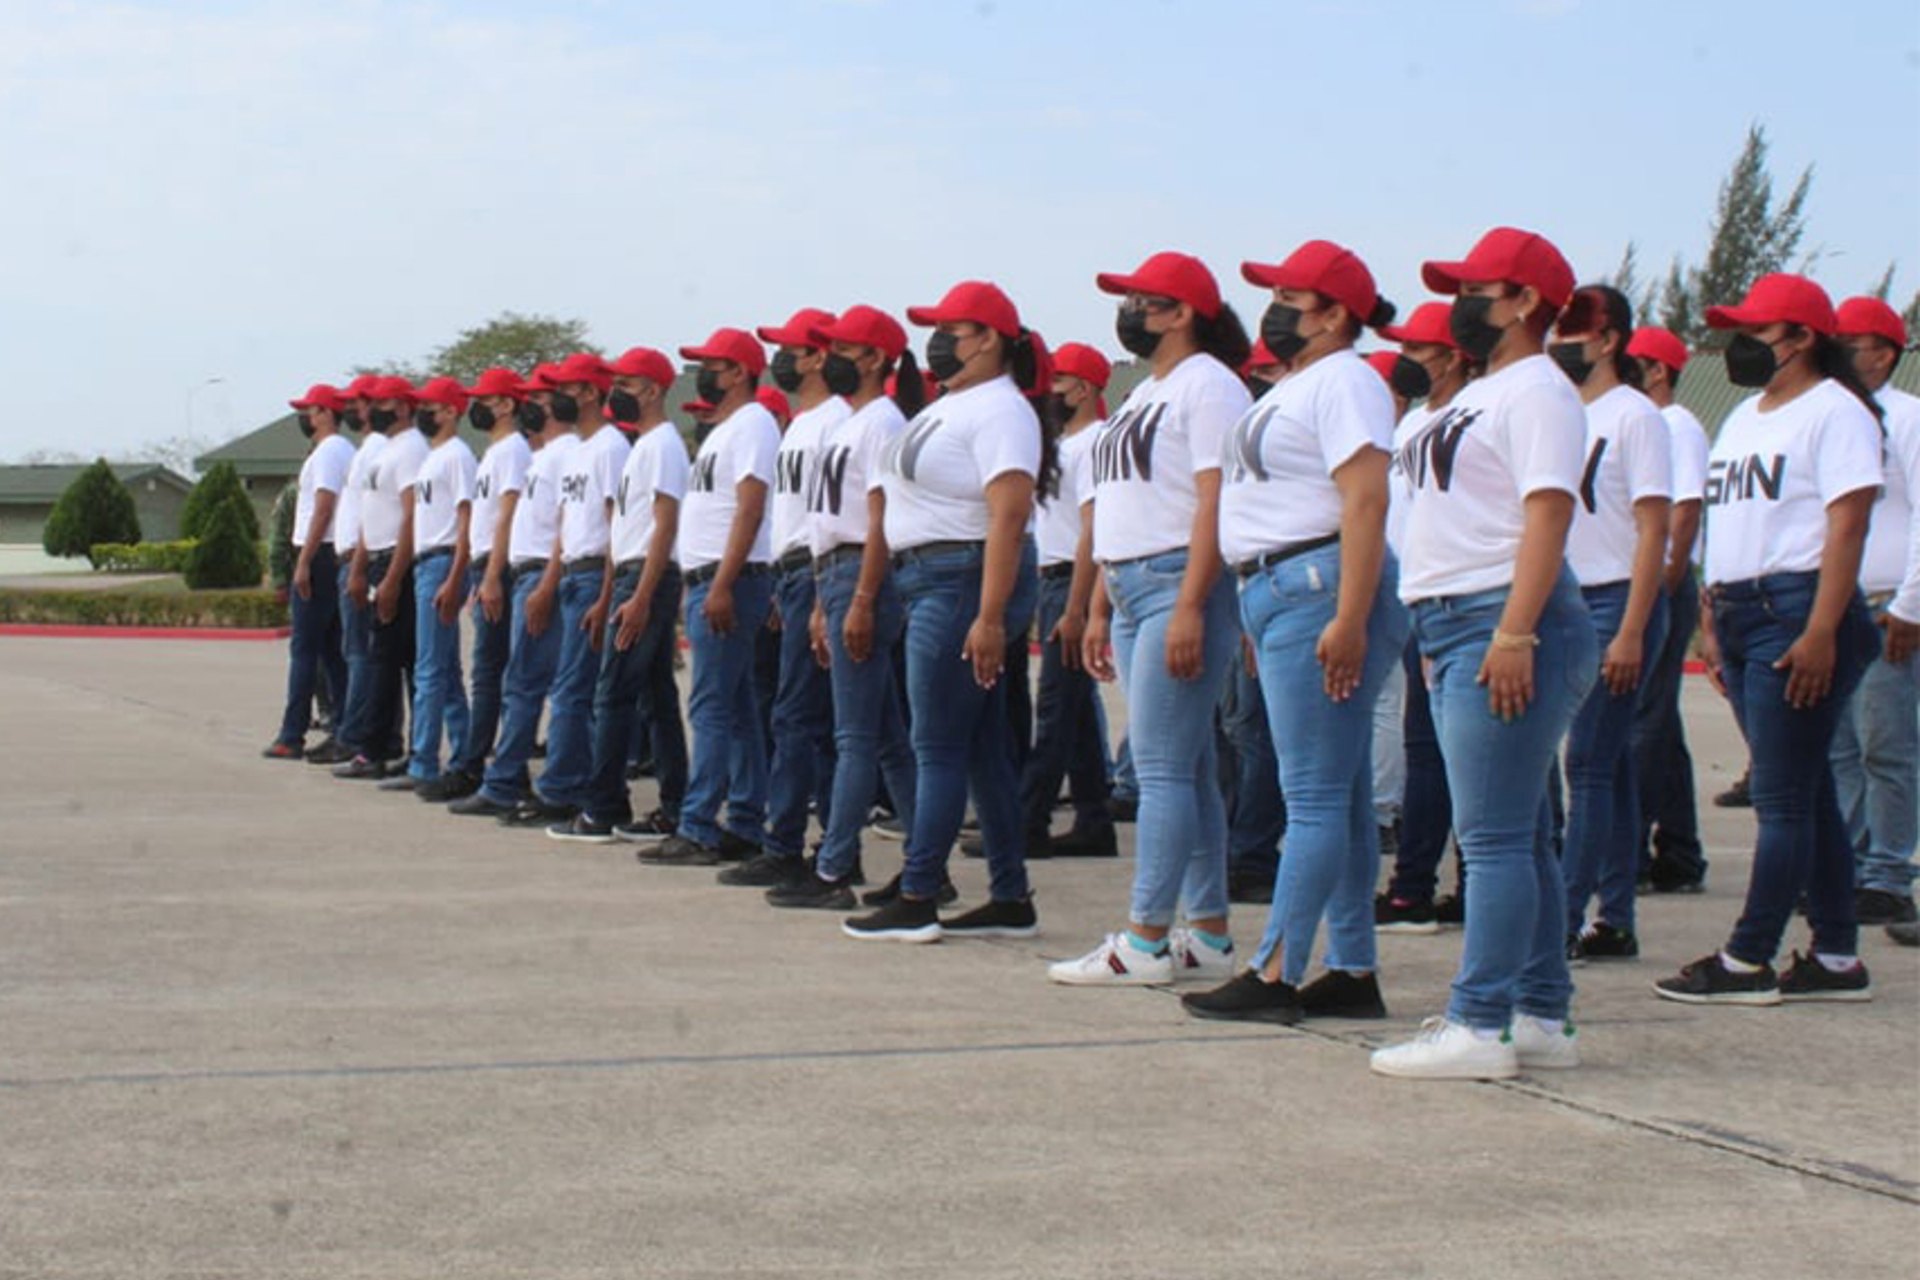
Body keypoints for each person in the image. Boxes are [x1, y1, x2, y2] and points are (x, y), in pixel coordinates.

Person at [1369, 227, 1597, 1079]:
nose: (1463, 301)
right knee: (1522, 833)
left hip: (1502, 617)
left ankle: (1480, 1023)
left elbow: (1548, 515)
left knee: (1494, 837)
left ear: (1526, 302)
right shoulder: (1479, 394)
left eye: (1479, 288)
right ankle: (1540, 1011)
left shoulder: (1537, 392)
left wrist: (1513, 632)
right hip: (1456, 620)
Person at [1181, 239, 1408, 1024]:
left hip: (1317, 584)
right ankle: (1351, 968)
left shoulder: (1345, 380)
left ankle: (1276, 969)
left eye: (1290, 296)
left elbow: (1367, 500)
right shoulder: (1298, 386)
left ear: (1335, 314)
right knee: (1336, 795)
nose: (1274, 308)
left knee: (1309, 796)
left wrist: (1349, 614)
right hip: (1280, 588)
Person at [1656, 273, 1883, 1006]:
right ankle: (1839, 956)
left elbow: (1848, 525)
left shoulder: (1836, 412)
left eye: (1753, 333)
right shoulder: (1749, 415)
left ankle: (1749, 958)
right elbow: (1732, 520)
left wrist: (1821, 627)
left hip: (1797, 607)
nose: (1737, 346)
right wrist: (1713, 620)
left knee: (1782, 798)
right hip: (1744, 607)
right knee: (1806, 789)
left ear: (1801, 338)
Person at [1051, 252, 1250, 983]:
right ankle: (1210, 933)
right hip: (1133, 585)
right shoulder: (1141, 395)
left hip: (1176, 581)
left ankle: (1144, 940)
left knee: (1164, 769)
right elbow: (1117, 509)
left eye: (1143, 299)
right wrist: (1101, 605)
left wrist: (1194, 603)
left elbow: (1212, 500)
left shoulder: (1211, 388)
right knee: (1188, 769)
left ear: (1181, 313)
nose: (1129, 309)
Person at [840, 280, 1044, 942]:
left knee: (937, 743)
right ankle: (1011, 895)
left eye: (951, 329)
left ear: (990, 339)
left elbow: (1009, 513)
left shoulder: (1000, 411)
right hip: (927, 576)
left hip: (960, 578)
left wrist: (989, 617)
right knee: (978, 746)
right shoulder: (946, 406)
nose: (938, 341)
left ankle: (920, 891)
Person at [769, 306, 922, 910]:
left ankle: (834, 869)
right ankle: (925, 863)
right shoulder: (847, 422)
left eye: (843, 346)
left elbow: (881, 518)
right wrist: (818, 603)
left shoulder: (882, 421)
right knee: (885, 737)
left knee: (855, 734)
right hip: (832, 575)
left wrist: (860, 597)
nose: (827, 356)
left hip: (860, 573)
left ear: (874, 359)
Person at [1549, 287, 1673, 960]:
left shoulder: (1635, 417)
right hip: (1572, 596)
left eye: (1577, 331)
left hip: (1616, 598)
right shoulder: (1566, 412)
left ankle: (1566, 916)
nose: (1562, 342)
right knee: (1612, 765)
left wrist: (1633, 626)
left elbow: (1655, 529)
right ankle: (1615, 916)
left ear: (1610, 341)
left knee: (1589, 764)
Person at [638, 329, 780, 866]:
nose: (704, 375)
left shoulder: (753, 425)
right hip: (709, 580)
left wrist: (721, 582)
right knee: (737, 707)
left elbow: (749, 508)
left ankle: (699, 825)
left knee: (712, 707)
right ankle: (744, 817)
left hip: (729, 582)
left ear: (740, 372)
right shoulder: (725, 429)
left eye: (713, 365)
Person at [718, 311, 848, 884]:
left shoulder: (835, 420)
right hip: (791, 576)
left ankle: (787, 844)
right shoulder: (799, 424)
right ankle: (814, 843)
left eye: (791, 349)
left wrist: (821, 592)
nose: (781, 360)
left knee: (800, 717)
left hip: (819, 576)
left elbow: (830, 514)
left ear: (819, 357)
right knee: (803, 717)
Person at [549, 347, 689, 843]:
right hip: (629, 576)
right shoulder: (643, 447)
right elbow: (622, 528)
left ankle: (602, 806)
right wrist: (611, 595)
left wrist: (642, 596)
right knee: (654, 697)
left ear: (652, 390)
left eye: (626, 386)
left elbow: (665, 526)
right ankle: (674, 805)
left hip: (646, 578)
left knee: (613, 694)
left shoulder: (665, 446)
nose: (617, 395)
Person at [1372, 302, 1471, 932]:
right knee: (1427, 751)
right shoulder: (1410, 428)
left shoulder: (1475, 415)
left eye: (1419, 351)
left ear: (1454, 356)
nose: (1408, 362)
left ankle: (1472, 885)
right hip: (1415, 595)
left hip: (1464, 602)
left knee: (1474, 758)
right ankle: (1412, 886)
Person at [503, 353, 627, 826]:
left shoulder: (612, 447)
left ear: (591, 392)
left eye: (565, 389)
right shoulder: (578, 450)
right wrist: (555, 578)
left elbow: (618, 525)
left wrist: (606, 594)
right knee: (571, 688)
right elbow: (564, 525)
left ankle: (563, 789)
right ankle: (569, 783)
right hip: (574, 573)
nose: (554, 400)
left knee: (575, 690)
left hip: (596, 574)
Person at [1828, 296, 1920, 925]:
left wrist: (1911, 605)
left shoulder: (1908, 418)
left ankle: (1888, 872)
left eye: (1849, 343)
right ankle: (1849, 864)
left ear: (1884, 353)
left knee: (1885, 746)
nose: (1836, 353)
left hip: (1889, 604)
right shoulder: (1834, 416)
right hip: (1837, 604)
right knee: (1838, 748)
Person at [450, 366, 575, 817]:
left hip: (538, 575)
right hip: (522, 572)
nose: (530, 407)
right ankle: (510, 775)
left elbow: (565, 523)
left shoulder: (558, 453)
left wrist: (540, 582)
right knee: (521, 681)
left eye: (538, 399)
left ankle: (509, 781)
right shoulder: (540, 455)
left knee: (528, 683)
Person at [1020, 340, 1117, 858]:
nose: (1050, 391)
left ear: (1083, 388)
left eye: (1059, 382)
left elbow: (1092, 529)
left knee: (1056, 708)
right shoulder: (1057, 444)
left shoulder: (1095, 442)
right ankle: (1092, 816)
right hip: (1050, 577)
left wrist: (1079, 607)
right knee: (1075, 710)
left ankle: (1028, 819)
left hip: (1071, 580)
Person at [1625, 326, 1712, 893]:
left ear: (1658, 370)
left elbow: (1684, 512)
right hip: (1652, 580)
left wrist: (1661, 582)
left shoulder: (1674, 424)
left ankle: (1630, 849)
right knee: (1659, 723)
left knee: (1643, 725)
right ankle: (1679, 851)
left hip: (1658, 582)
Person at [424, 366, 531, 802]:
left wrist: (490, 575)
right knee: (487, 674)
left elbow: (508, 514)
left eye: (484, 400)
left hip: (498, 568)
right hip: (484, 566)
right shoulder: (493, 452)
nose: (477, 408)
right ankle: (482, 764)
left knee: (496, 674)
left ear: (506, 404)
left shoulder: (513, 452)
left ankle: (480, 768)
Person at [380, 376, 477, 793]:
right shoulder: (433, 458)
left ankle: (423, 762)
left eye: (430, 407)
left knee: (429, 670)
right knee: (445, 671)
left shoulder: (456, 456)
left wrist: (457, 576)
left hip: (441, 562)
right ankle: (463, 751)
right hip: (426, 564)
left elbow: (466, 519)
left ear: (452, 412)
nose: (423, 413)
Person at [335, 376, 429, 781]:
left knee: (395, 660)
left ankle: (381, 750)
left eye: (382, 402)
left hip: (397, 562)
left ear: (405, 407)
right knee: (386, 659)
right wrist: (358, 566)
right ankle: (384, 746)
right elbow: (369, 514)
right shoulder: (383, 451)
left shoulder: (411, 450)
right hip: (375, 558)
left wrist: (392, 577)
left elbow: (412, 515)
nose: (371, 409)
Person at [265, 384, 353, 760]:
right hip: (327, 553)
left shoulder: (331, 451)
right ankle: (344, 725)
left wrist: (303, 561)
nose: (306, 417)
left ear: (328, 414)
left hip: (320, 554)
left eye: (312, 410)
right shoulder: (336, 450)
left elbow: (323, 506)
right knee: (333, 650)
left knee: (305, 649)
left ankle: (293, 733)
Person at [308, 374, 382, 767]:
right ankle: (360, 734)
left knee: (360, 655)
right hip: (350, 559)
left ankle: (355, 737)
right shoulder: (362, 450)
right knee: (353, 652)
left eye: (361, 402)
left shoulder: (376, 449)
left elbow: (379, 514)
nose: (355, 409)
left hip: (361, 561)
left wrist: (358, 565)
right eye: (351, 402)